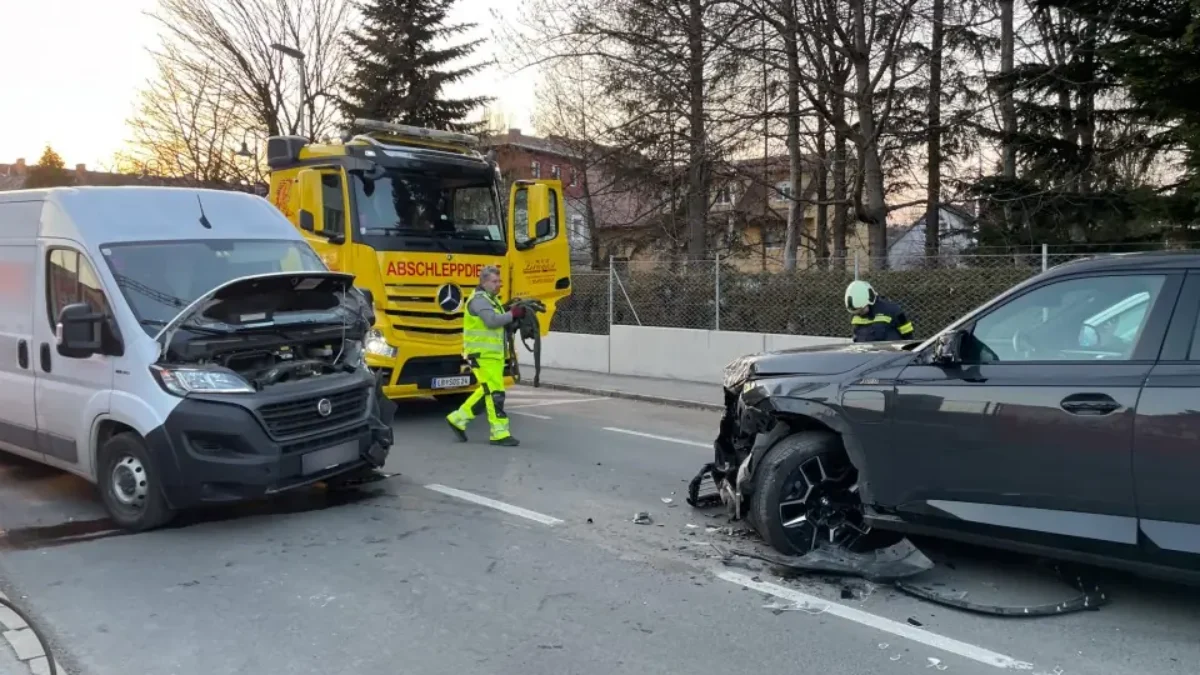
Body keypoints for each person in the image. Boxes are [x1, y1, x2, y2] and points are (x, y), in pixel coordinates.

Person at [446, 265, 525, 446]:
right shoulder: (479, 300)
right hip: (483, 356)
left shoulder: (491, 300)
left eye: (499, 281)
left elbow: (499, 322)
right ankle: (499, 433)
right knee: (495, 393)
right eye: (494, 281)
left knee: (487, 391)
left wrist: (511, 314)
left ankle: (458, 418)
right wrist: (512, 314)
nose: (499, 284)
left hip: (491, 356)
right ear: (484, 282)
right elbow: (491, 322)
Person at [844, 279, 914, 342]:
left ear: (870, 300)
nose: (859, 314)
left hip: (891, 354)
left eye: (861, 310)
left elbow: (908, 335)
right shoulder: (856, 314)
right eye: (856, 312)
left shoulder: (893, 310)